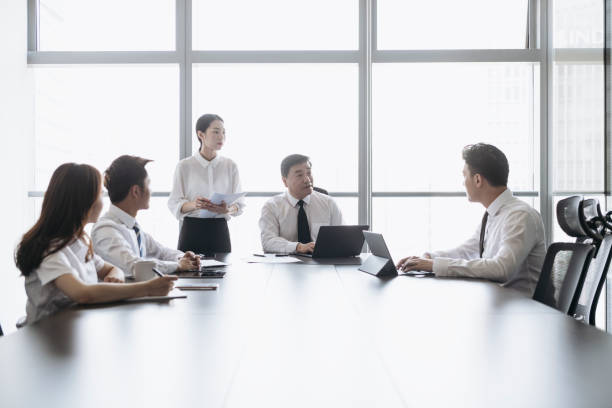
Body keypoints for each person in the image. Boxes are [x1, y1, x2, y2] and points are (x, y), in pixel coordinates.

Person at [15, 163, 177, 324]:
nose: (103, 201)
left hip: (74, 329)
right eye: (100, 194)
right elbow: (82, 293)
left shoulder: (79, 242)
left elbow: (112, 269)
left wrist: (115, 275)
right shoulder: (49, 248)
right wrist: (147, 289)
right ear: (84, 201)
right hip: (46, 336)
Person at [396, 143, 546, 296]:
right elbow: (468, 251)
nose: (463, 182)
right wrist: (429, 258)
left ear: (478, 180)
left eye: (464, 176)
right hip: (498, 301)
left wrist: (434, 265)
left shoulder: (520, 215)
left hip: (522, 310)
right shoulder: (493, 214)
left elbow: (501, 268)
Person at [92, 155, 201, 277]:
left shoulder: (133, 227)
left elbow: (161, 252)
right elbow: (134, 266)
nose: (151, 191)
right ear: (136, 191)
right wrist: (178, 265)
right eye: (148, 184)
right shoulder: (106, 230)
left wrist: (182, 257)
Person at [259, 154, 343, 254]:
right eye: (299, 175)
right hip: (285, 265)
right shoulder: (272, 206)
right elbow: (268, 241)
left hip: (322, 264)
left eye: (309, 173)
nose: (307, 179)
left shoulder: (329, 203)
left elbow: (342, 238)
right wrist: (298, 247)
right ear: (285, 181)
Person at [168, 114, 245, 220]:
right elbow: (174, 203)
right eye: (216, 131)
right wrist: (196, 204)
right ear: (201, 134)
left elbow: (239, 204)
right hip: (192, 228)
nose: (221, 136)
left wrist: (227, 210)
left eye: (223, 132)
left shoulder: (230, 166)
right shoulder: (184, 166)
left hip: (220, 228)